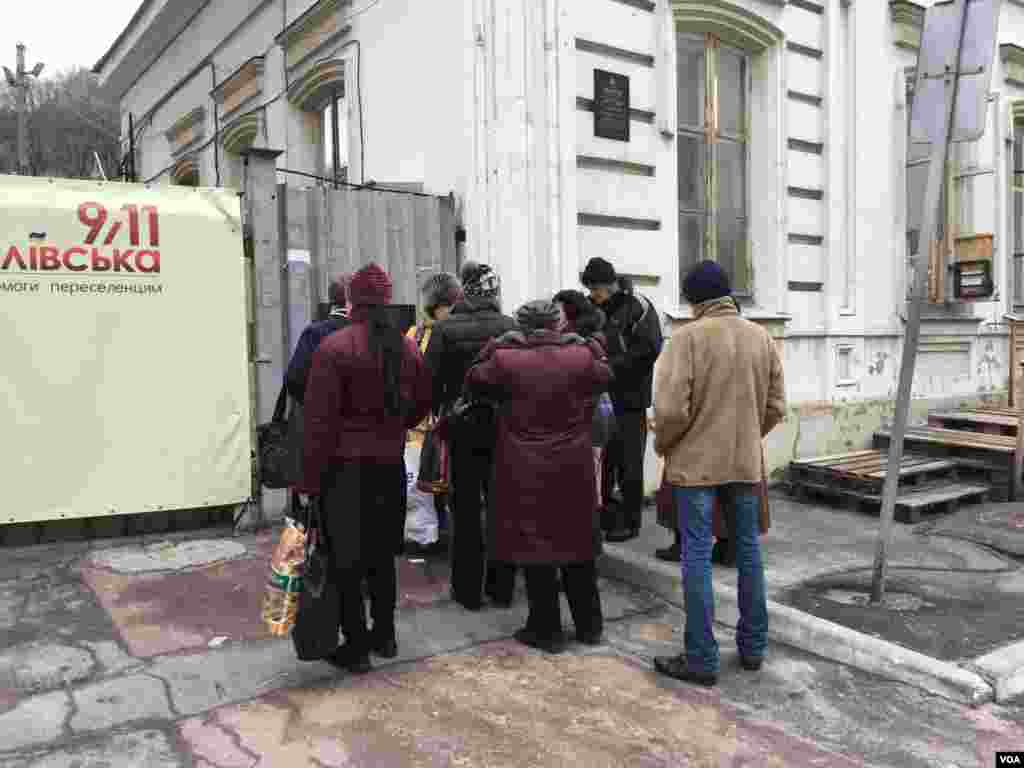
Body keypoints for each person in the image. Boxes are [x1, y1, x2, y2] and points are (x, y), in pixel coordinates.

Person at [651, 259, 786, 687]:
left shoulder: (686, 339)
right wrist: (747, 436)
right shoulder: (760, 337)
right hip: (744, 465)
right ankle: (752, 648)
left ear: (694, 302)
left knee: (696, 556)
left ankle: (702, 658)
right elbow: (776, 407)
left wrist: (666, 443)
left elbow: (671, 410)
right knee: (747, 553)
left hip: (695, 469)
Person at [299, 262, 433, 674]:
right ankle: (385, 635)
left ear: (352, 300)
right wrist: (398, 425)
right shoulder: (406, 347)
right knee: (381, 557)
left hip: (344, 474)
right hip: (388, 468)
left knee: (346, 562)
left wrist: (308, 481)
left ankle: (356, 646)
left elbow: (318, 423)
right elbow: (422, 402)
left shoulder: (335, 348)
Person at [465, 300, 612, 653]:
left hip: (524, 465)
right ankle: (589, 625)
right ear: (557, 324)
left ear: (522, 326)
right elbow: (606, 374)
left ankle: (545, 628)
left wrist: (495, 344)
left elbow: (474, 378)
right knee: (577, 544)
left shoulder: (505, 359)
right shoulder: (579, 356)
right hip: (573, 464)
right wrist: (591, 345)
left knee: (537, 546)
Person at [425, 262, 518, 611]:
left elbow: (430, 383)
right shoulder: (510, 327)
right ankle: (502, 588)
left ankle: (468, 591)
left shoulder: (445, 329)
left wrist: (440, 412)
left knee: (464, 510)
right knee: (501, 507)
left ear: (465, 290)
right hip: (503, 427)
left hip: (462, 428)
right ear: (493, 292)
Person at [579, 258, 662, 543]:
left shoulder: (638, 306)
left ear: (611, 284)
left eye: (597, 289)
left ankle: (630, 521)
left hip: (630, 398)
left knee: (629, 464)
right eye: (590, 289)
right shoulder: (593, 307)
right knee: (605, 462)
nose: (594, 295)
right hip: (600, 397)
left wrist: (611, 366)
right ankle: (608, 516)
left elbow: (650, 348)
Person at [404, 272, 463, 556]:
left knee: (447, 486)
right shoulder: (415, 335)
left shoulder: (451, 332)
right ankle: (426, 537)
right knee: (421, 488)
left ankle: (445, 534)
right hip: (423, 424)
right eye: (447, 305)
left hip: (442, 420)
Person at [284, 274, 352, 518]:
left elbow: (293, 379)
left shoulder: (315, 333)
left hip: (318, 433)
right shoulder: (368, 333)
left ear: (331, 300)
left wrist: (314, 404)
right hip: (357, 438)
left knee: (317, 501)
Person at [554, 289, 613, 509]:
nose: (553, 317)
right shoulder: (582, 339)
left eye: (557, 311)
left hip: (586, 420)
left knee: (586, 486)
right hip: (588, 420)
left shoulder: (580, 343)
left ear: (570, 313)